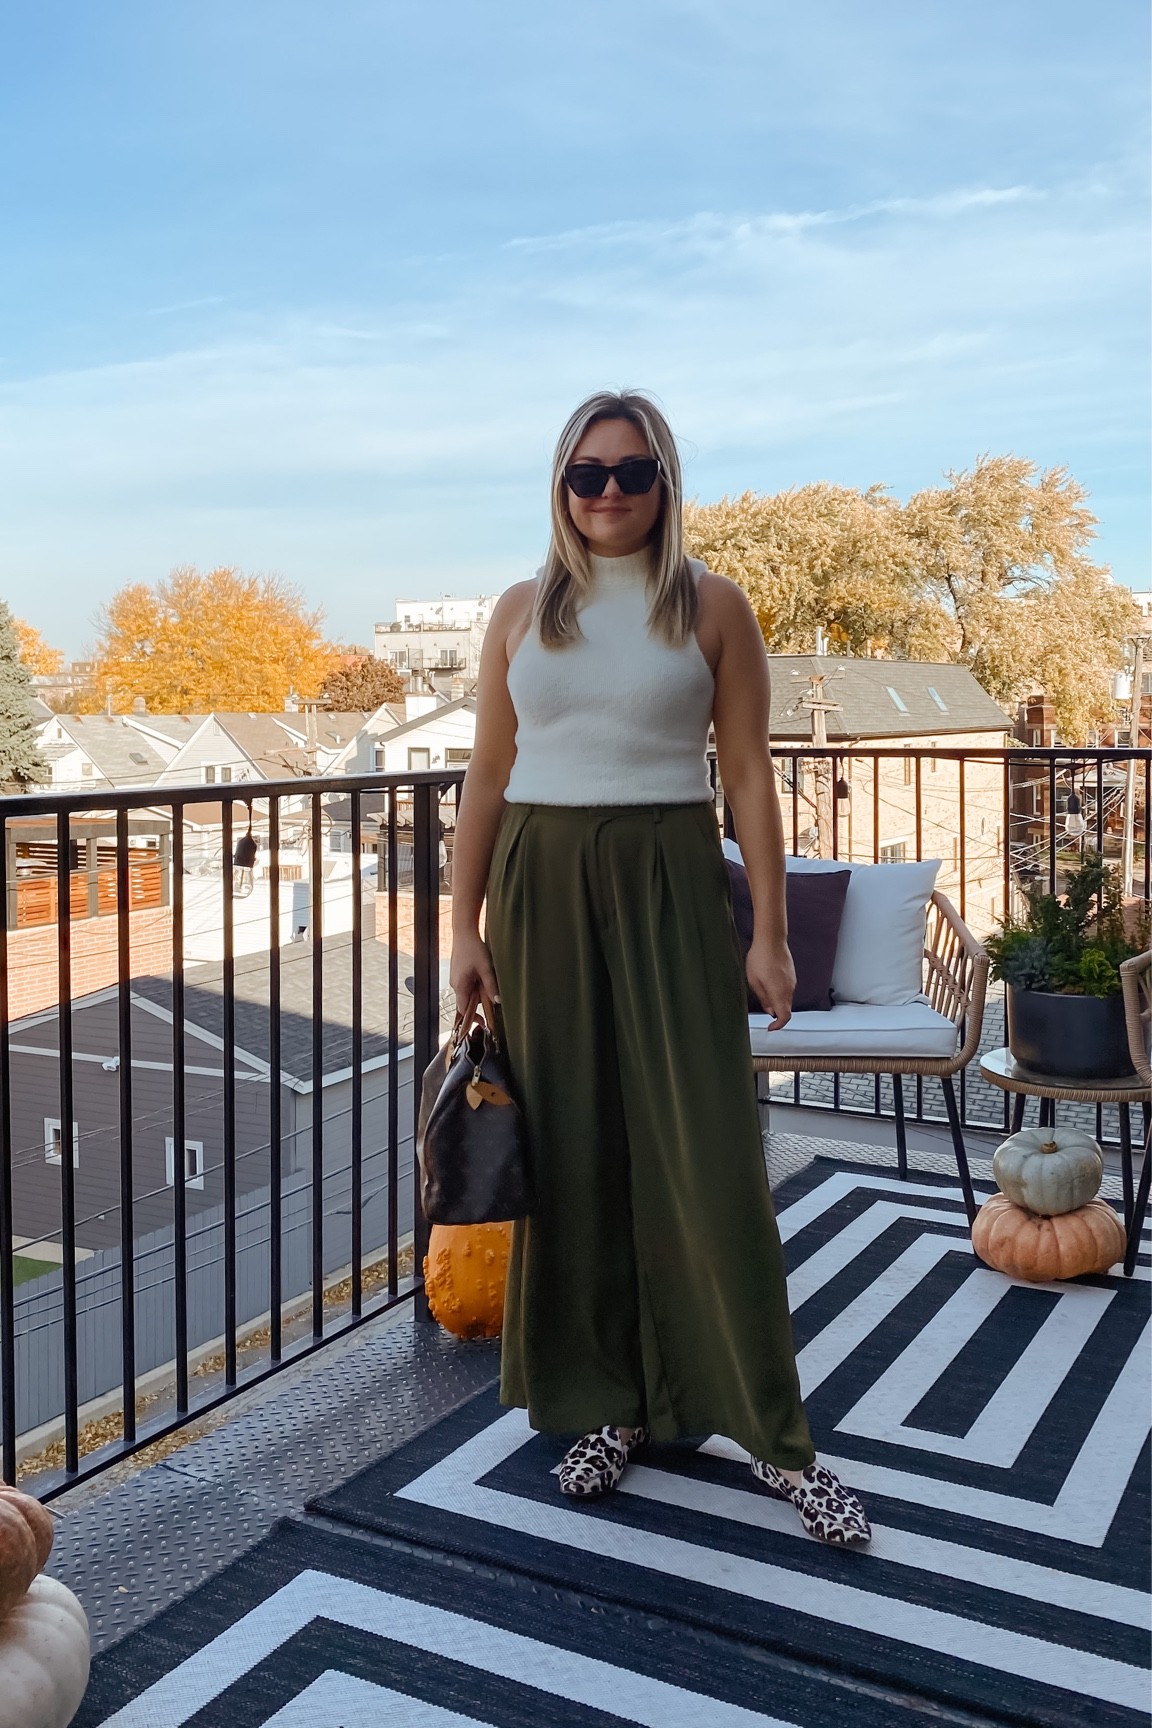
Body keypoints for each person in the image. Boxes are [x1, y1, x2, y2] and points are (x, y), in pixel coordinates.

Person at [448, 389, 870, 1546]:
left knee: (707, 1148)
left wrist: (771, 932)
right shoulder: (520, 612)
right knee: (575, 1146)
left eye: (634, 473)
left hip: (673, 877)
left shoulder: (714, 608)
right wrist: (463, 930)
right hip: (540, 883)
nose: (611, 494)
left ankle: (774, 1434)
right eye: (588, 474)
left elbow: (746, 779)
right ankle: (609, 1404)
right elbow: (486, 777)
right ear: (561, 486)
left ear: (666, 486)